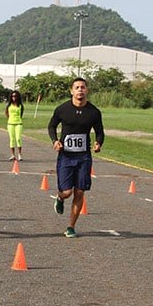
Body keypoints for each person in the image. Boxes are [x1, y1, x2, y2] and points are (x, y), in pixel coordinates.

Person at [47, 77, 104, 238]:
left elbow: (99, 131)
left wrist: (98, 143)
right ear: (71, 91)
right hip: (66, 156)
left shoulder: (93, 112)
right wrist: (55, 140)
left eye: (83, 87)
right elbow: (52, 125)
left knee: (79, 192)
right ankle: (59, 197)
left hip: (84, 157)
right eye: (77, 87)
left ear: (87, 90)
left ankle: (71, 227)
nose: (80, 90)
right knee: (67, 192)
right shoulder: (62, 109)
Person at [5, 90, 24, 161]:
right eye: (12, 96)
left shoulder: (20, 106)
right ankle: (13, 155)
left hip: (18, 123)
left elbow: (21, 114)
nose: (14, 97)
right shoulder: (9, 105)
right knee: (12, 139)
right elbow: (7, 113)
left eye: (15, 96)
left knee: (18, 138)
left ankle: (19, 154)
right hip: (10, 123)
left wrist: (17, 119)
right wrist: (10, 119)